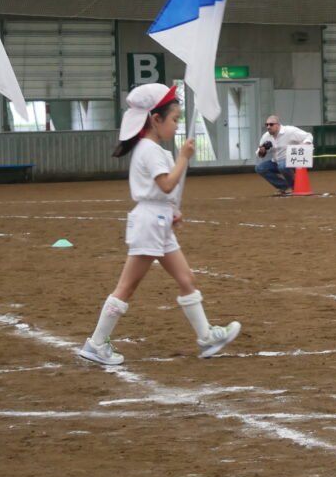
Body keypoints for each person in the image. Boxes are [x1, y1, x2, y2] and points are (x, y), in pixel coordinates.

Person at [78, 84, 241, 366]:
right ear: (156, 119)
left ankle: (206, 338)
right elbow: (166, 184)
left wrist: (172, 212)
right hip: (149, 223)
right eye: (174, 119)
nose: (177, 125)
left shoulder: (153, 149)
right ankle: (95, 344)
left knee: (186, 279)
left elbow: (163, 191)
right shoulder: (149, 150)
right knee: (127, 287)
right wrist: (183, 158)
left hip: (158, 221)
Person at [256, 115, 313, 195]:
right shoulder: (266, 136)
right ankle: (284, 187)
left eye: (271, 124)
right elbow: (260, 154)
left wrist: (305, 145)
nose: (268, 127)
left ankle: (294, 186)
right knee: (260, 168)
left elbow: (308, 136)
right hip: (276, 162)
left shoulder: (290, 131)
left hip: (292, 162)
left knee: (282, 165)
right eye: (267, 125)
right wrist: (262, 151)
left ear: (278, 125)